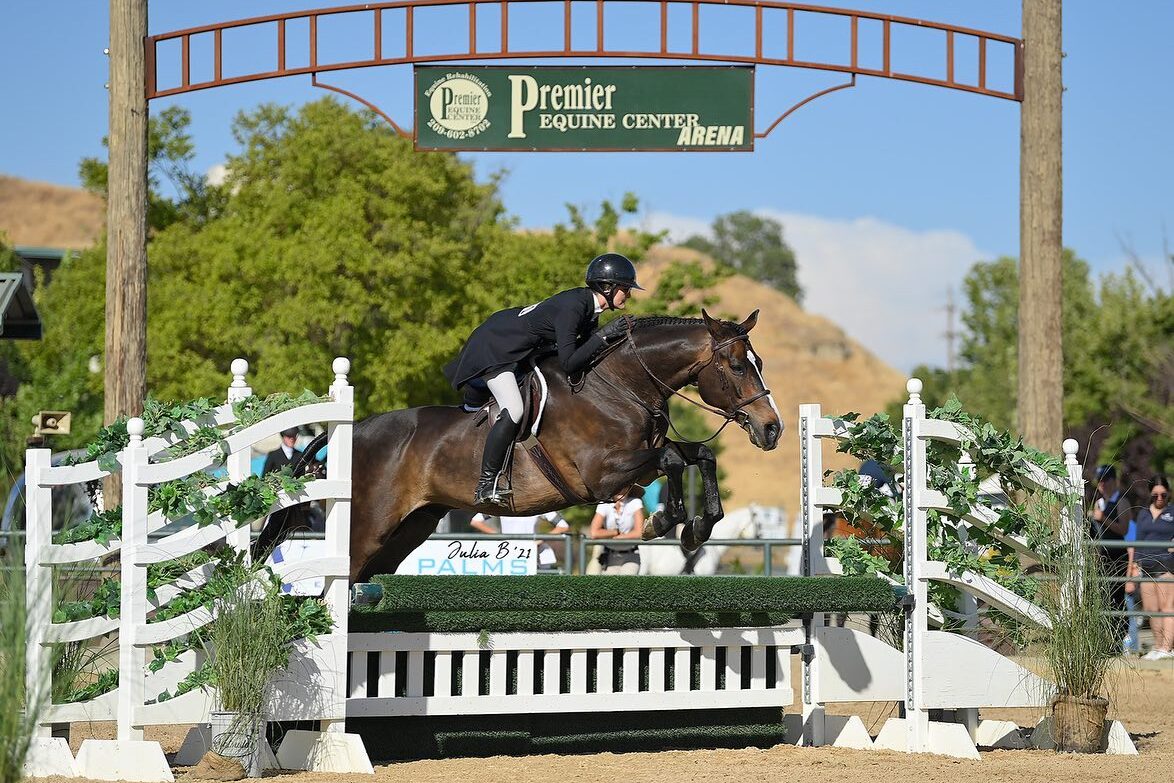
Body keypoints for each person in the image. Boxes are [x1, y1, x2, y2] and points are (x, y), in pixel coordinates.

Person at [444, 253, 643, 507]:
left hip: (518, 348)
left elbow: (583, 353)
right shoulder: (574, 307)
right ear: (607, 287)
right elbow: (569, 362)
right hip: (496, 348)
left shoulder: (589, 310)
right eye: (626, 288)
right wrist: (603, 336)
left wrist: (610, 338)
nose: (629, 294)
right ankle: (486, 483)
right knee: (514, 409)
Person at [1135, 475, 1174, 660]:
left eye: (1163, 495)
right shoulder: (1143, 513)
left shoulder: (1172, 512)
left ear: (1169, 494)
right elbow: (1137, 541)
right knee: (1152, 609)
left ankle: (1167, 647)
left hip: (1167, 565)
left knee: (1167, 607)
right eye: (1155, 495)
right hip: (1146, 566)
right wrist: (1134, 565)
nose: (1159, 498)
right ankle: (1158, 647)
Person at [1090, 464, 1130, 639]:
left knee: (1118, 597)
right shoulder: (1098, 503)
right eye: (1099, 480)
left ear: (1114, 481)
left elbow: (1124, 529)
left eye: (1105, 480)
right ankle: (1106, 637)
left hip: (1117, 555)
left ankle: (1120, 637)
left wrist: (1103, 518)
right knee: (1103, 597)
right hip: (1102, 557)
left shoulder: (1121, 501)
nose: (1102, 484)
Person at [469, 511, 570, 570]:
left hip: (534, 554)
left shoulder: (537, 506)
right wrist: (499, 536)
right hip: (508, 553)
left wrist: (539, 541)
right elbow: (475, 522)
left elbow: (563, 526)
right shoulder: (502, 505)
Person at [590, 489, 645, 574]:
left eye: (625, 486)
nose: (621, 490)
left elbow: (640, 532)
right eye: (619, 486)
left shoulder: (635, 502)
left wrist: (619, 537)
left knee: (627, 579)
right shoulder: (604, 504)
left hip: (631, 555)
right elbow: (594, 533)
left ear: (629, 488)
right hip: (609, 556)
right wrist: (616, 532)